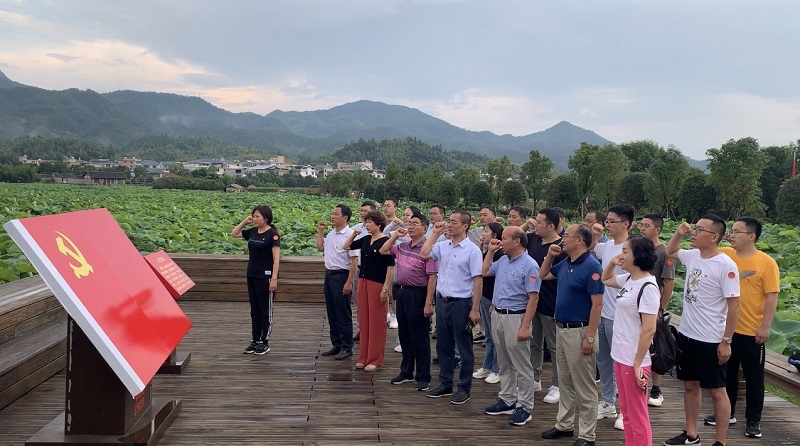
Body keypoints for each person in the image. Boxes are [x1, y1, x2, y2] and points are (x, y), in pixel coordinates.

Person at [664, 216, 740, 446]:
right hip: (687, 334)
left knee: (717, 391)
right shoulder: (693, 255)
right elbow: (670, 251)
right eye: (694, 228)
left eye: (699, 230)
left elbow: (734, 306)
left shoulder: (726, 265)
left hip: (711, 338)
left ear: (714, 236)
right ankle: (691, 434)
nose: (694, 233)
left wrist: (726, 341)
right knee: (690, 385)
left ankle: (720, 441)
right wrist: (679, 233)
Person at [703, 217, 779, 439]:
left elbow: (772, 297)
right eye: (731, 231)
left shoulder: (767, 263)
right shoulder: (726, 254)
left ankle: (753, 420)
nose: (731, 235)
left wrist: (765, 327)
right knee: (727, 374)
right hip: (727, 330)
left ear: (751, 236)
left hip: (752, 331)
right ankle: (729, 413)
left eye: (737, 232)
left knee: (754, 378)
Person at [540, 224, 604, 446]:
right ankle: (564, 424)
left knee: (584, 385)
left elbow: (597, 305)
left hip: (580, 331)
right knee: (565, 381)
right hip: (561, 328)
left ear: (580, 240)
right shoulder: (566, 262)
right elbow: (543, 274)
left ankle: (587, 435)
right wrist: (550, 255)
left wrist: (590, 337)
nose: (562, 239)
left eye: (566, 236)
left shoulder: (592, 267)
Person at [600, 236, 659, 446]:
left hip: (635, 359)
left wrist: (637, 363)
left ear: (638, 255)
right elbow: (606, 279)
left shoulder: (648, 287)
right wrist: (612, 263)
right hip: (620, 354)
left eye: (625, 251)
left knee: (637, 415)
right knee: (626, 412)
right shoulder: (628, 279)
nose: (621, 255)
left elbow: (649, 329)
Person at [421, 210, 483, 405]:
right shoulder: (443, 246)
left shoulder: (472, 250)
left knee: (464, 347)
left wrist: (475, 308)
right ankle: (445, 383)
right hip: (442, 301)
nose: (449, 224)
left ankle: (464, 387)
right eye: (449, 220)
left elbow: (478, 281)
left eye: (454, 222)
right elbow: (424, 254)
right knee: (443, 344)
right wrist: (434, 233)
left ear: (465, 226)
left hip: (461, 303)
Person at [482, 226, 541, 426]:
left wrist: (525, 326)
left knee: (521, 364)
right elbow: (484, 271)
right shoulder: (502, 260)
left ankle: (525, 406)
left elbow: (533, 298)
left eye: (505, 238)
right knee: (504, 361)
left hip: (516, 317)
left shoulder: (530, 265)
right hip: (498, 315)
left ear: (516, 241)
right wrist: (490, 251)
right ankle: (507, 399)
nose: (501, 241)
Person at [589, 203, 635, 430]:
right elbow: (592, 248)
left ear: (626, 224)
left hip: (623, 316)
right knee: (604, 360)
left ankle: (626, 411)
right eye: (606, 221)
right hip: (604, 312)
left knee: (623, 364)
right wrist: (595, 235)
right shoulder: (606, 247)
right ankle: (608, 402)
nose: (607, 224)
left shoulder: (633, 249)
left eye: (611, 221)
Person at [380, 212, 438, 391]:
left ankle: (423, 376)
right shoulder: (402, 245)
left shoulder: (428, 250)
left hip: (418, 294)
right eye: (409, 223)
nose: (410, 226)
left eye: (415, 223)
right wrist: (395, 236)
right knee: (404, 334)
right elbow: (383, 250)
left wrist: (428, 303)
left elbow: (432, 278)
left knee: (419, 336)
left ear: (425, 228)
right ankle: (406, 371)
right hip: (402, 293)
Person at [343, 210, 395, 372]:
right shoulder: (365, 239)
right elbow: (346, 246)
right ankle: (363, 357)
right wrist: (354, 234)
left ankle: (375, 359)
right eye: (366, 222)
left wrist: (385, 288)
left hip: (377, 283)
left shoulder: (386, 241)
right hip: (363, 281)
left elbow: (390, 267)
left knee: (376, 322)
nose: (366, 225)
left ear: (378, 224)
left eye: (370, 222)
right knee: (364, 320)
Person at [526, 208, 568, 404]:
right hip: (533, 300)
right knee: (534, 341)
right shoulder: (534, 240)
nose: (535, 224)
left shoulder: (561, 248)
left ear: (551, 226)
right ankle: (534, 378)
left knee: (554, 346)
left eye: (539, 222)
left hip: (552, 303)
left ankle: (557, 384)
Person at [231, 205, 281, 355]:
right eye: (253, 216)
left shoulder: (273, 235)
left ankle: (265, 342)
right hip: (252, 275)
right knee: (254, 310)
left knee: (265, 311)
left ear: (266, 218)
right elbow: (234, 234)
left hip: (265, 277)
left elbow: (276, 259)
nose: (254, 219)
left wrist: (274, 278)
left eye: (257, 216)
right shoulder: (252, 232)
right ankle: (255, 340)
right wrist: (244, 222)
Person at [638, 213, 676, 407]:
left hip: (652, 306)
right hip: (635, 304)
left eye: (647, 225)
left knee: (656, 347)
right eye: (641, 225)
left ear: (658, 229)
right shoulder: (638, 247)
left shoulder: (664, 252)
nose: (642, 228)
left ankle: (656, 388)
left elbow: (669, 283)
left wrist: (661, 307)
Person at [316, 204, 359, 360]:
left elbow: (354, 261)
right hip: (329, 275)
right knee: (332, 311)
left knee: (342, 312)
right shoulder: (331, 233)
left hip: (342, 276)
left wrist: (349, 282)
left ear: (345, 217)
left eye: (336, 214)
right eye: (332, 213)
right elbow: (320, 247)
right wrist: (321, 231)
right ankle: (337, 344)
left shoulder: (351, 235)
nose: (332, 216)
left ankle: (347, 347)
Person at [472, 222, 504, 385]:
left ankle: (497, 369)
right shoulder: (489, 251)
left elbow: (488, 273)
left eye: (486, 231)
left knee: (496, 336)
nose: (482, 234)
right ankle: (487, 366)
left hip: (493, 299)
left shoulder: (500, 255)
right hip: (485, 297)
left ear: (495, 236)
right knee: (489, 336)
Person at [352, 201, 378, 342]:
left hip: (375, 272)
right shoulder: (355, 228)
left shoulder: (379, 231)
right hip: (359, 270)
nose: (362, 213)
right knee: (358, 303)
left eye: (366, 211)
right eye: (361, 210)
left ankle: (372, 331)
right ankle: (361, 330)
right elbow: (347, 245)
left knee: (374, 305)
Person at [383, 198, 403, 329]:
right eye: (384, 206)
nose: (386, 208)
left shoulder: (400, 224)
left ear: (395, 208)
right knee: (383, 288)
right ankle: (386, 313)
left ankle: (395, 314)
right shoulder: (380, 221)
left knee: (393, 289)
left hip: (394, 259)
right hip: (382, 259)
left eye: (389, 206)